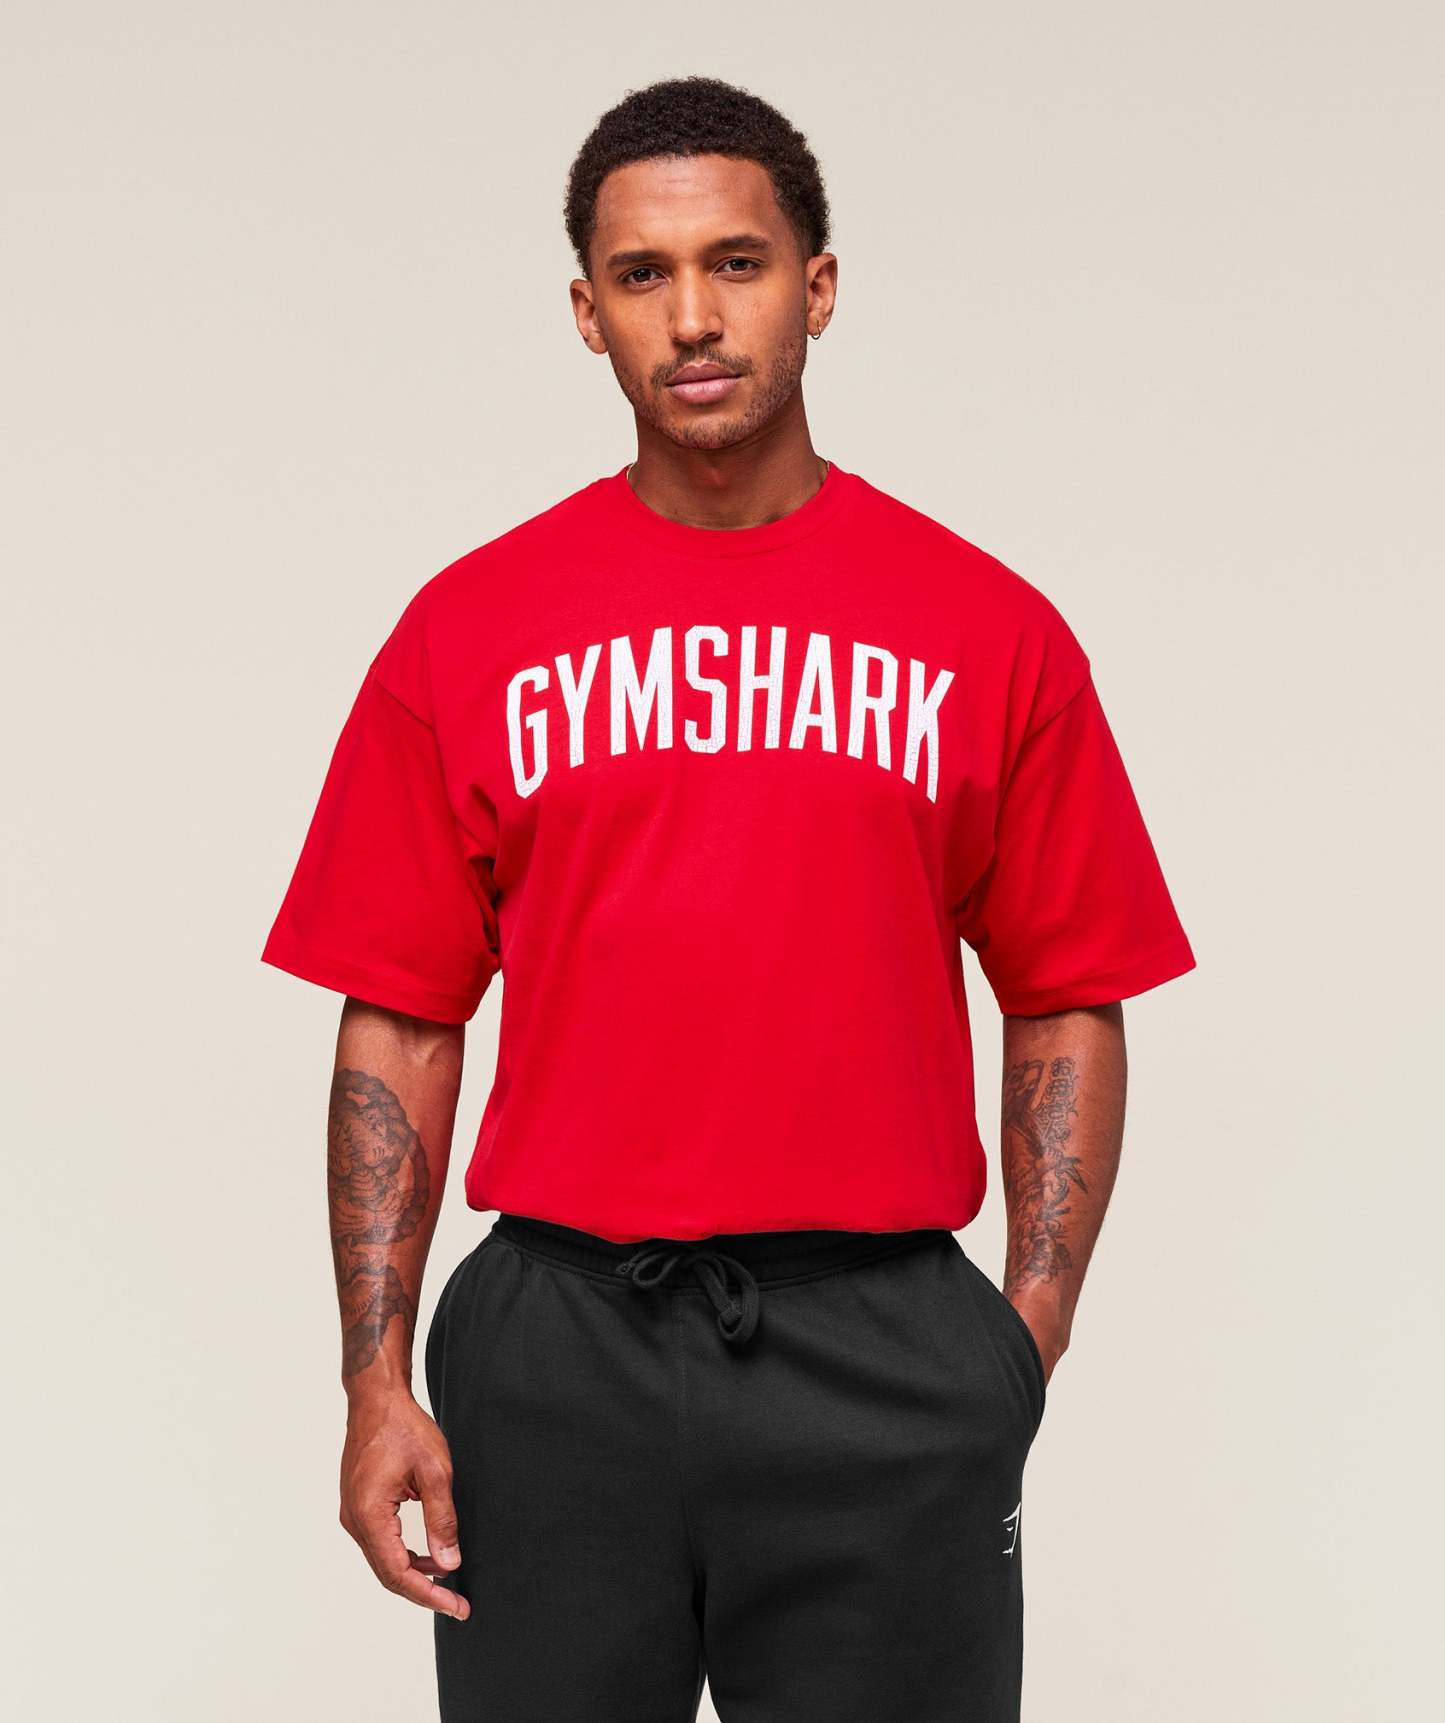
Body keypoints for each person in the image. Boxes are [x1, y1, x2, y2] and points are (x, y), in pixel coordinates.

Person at [262, 74, 1196, 1723]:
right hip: (555, 1349)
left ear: (816, 287)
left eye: (736, 263)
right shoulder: (468, 630)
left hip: (879, 1339)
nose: (691, 316)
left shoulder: (987, 630)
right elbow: (397, 1017)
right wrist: (372, 1378)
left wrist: (1022, 1337)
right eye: (641, 274)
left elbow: (1065, 989)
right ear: (586, 313)